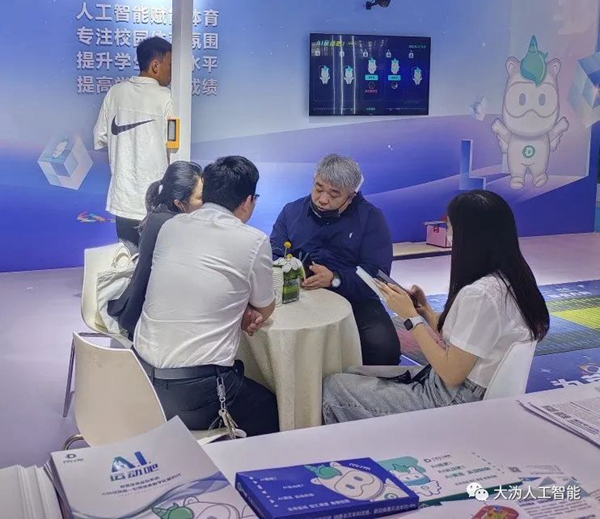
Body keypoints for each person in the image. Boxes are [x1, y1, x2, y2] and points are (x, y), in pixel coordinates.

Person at [322, 190, 550, 424]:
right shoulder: (513, 280)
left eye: (450, 228)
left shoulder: (481, 294)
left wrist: (411, 319)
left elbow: (451, 374)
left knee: (333, 387)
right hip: (462, 388)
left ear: (469, 236)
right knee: (353, 373)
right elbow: (466, 340)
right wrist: (425, 312)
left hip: (455, 398)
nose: (449, 235)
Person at [134, 156, 279, 436]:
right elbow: (265, 308)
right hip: (195, 393)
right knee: (272, 409)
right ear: (248, 201)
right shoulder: (253, 240)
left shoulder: (171, 226)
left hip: (139, 378)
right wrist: (243, 310)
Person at [270, 154, 400, 365]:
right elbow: (275, 253)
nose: (322, 199)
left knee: (384, 349)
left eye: (334, 194)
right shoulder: (292, 212)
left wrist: (335, 278)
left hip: (355, 298)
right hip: (298, 292)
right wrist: (294, 271)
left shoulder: (371, 219)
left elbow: (377, 275)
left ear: (351, 196)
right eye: (318, 188)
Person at [107, 161, 203, 339]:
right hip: (150, 322)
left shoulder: (159, 216)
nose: (205, 204)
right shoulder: (173, 226)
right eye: (200, 198)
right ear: (179, 203)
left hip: (140, 310)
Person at [93, 37, 173, 251]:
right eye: (170, 65)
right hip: (156, 200)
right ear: (155, 65)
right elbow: (175, 146)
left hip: (123, 196)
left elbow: (100, 136)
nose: (172, 72)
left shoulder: (115, 93)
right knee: (155, 261)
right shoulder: (168, 98)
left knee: (128, 260)